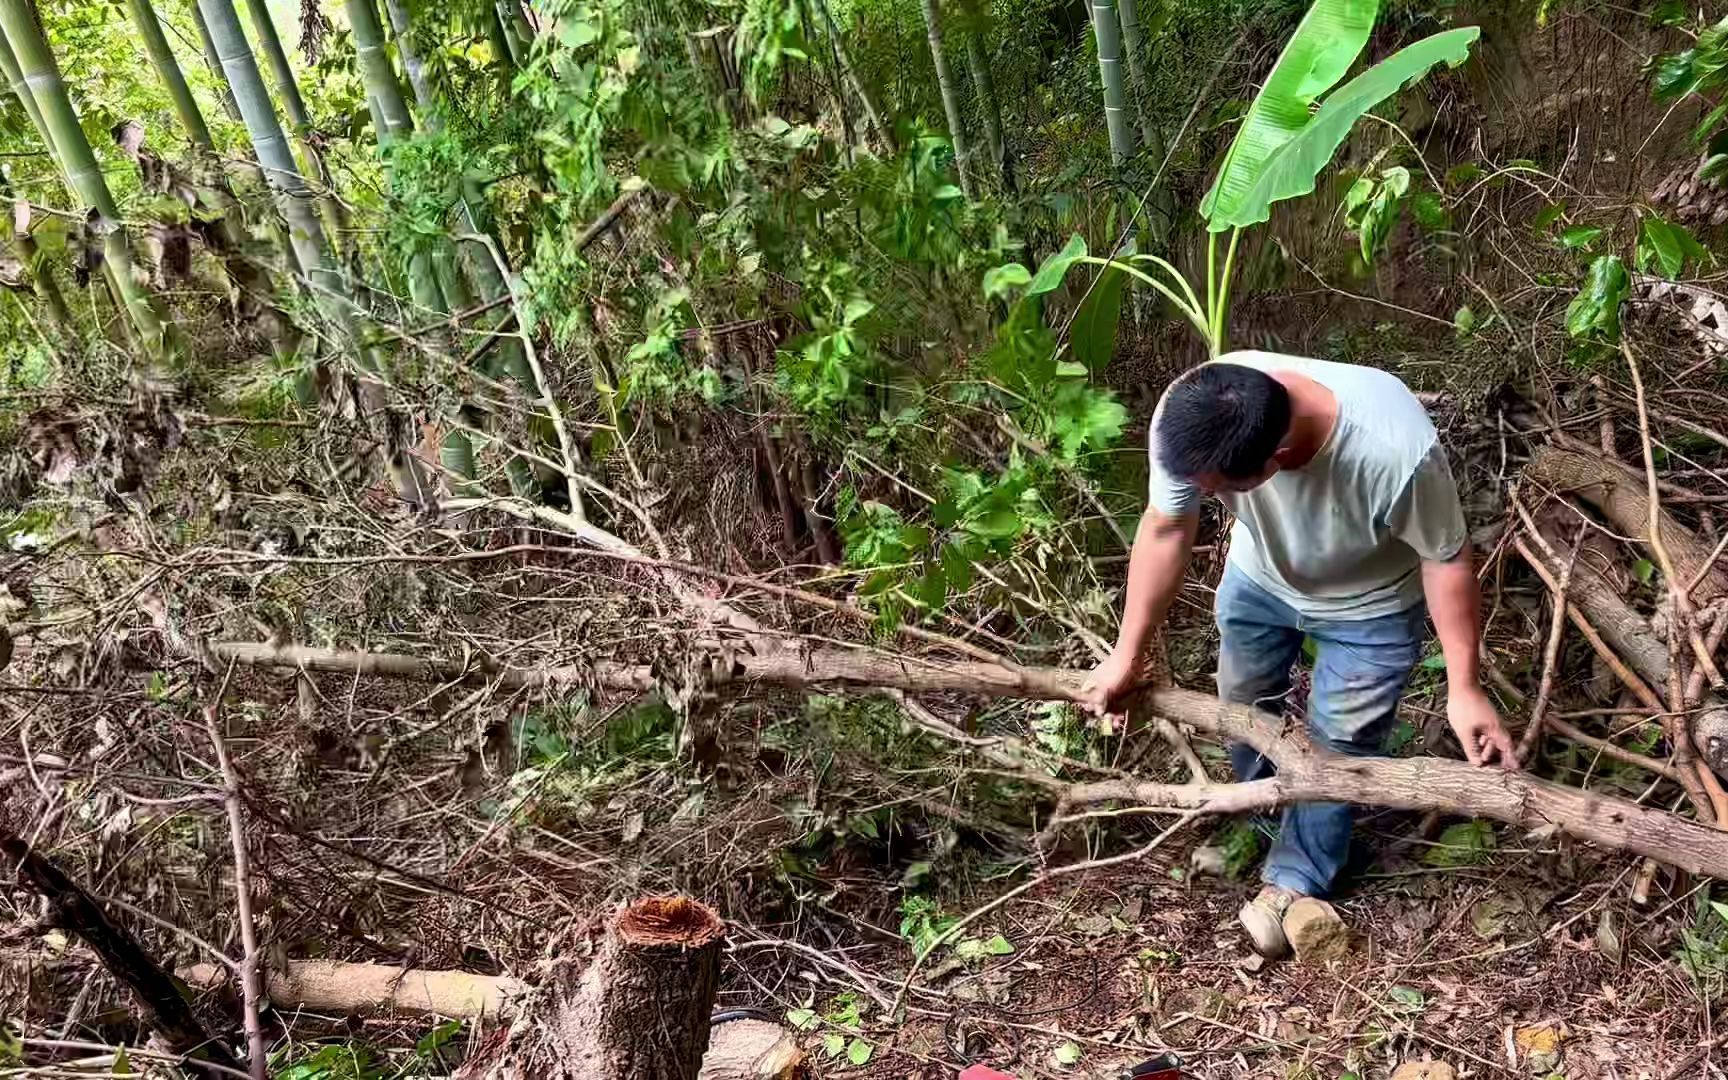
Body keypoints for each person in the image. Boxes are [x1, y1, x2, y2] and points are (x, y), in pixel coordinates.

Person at [1080, 351, 1518, 958]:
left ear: (1273, 466)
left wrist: (1463, 686)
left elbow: (1445, 557)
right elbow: (1166, 527)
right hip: (1260, 580)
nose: (1204, 498)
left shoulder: (1393, 451)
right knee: (1243, 714)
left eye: (1218, 493)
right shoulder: (1192, 412)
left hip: (1372, 607)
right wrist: (1128, 654)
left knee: (1337, 744)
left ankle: (1294, 879)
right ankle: (1274, 822)